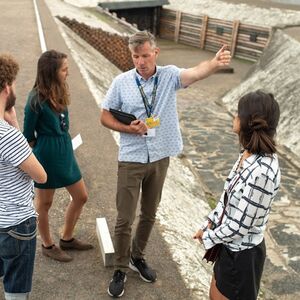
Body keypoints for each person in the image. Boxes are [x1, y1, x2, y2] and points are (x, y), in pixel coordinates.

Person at [100, 30, 231, 298]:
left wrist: (215, 64)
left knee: (149, 214)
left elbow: (195, 73)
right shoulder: (121, 82)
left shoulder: (169, 75)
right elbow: (104, 116)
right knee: (124, 218)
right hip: (131, 157)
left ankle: (137, 256)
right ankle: (120, 268)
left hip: (160, 156)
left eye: (145, 55)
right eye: (136, 56)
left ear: (155, 53)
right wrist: (127, 128)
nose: (140, 61)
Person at [194, 90, 281, 300]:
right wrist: (209, 224)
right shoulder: (246, 154)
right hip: (228, 246)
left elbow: (241, 226)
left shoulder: (264, 172)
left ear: (249, 122)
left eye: (238, 113)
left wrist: (209, 236)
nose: (234, 117)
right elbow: (226, 201)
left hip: (243, 256)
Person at [23, 50, 93, 263]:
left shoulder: (60, 89)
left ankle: (67, 238)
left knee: (81, 196)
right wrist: (42, 149)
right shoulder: (35, 99)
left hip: (64, 149)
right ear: (51, 72)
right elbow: (28, 135)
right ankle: (47, 244)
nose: (67, 73)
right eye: (64, 69)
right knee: (44, 204)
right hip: (47, 153)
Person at [0, 54, 47, 300]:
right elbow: (40, 175)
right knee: (15, 291)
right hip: (15, 225)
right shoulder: (8, 136)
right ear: (7, 87)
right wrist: (16, 128)